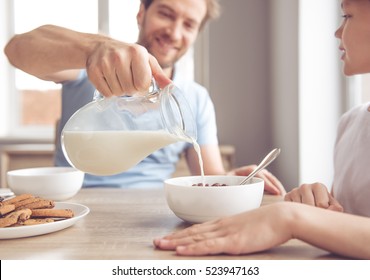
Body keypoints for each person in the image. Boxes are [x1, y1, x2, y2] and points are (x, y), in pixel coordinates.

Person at [153, 0, 370, 259]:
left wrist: (292, 217)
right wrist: (316, 207)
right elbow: (343, 221)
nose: (336, 31)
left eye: (347, 16)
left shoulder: (194, 98)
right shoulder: (351, 123)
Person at [4, 0, 284, 194]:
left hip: (149, 214)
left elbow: (209, 175)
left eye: (189, 24)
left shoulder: (194, 99)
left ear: (197, 34)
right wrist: (93, 48)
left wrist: (234, 181)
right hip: (76, 202)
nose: (174, 32)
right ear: (141, 13)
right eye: (166, 13)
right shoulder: (91, 68)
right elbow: (16, 50)